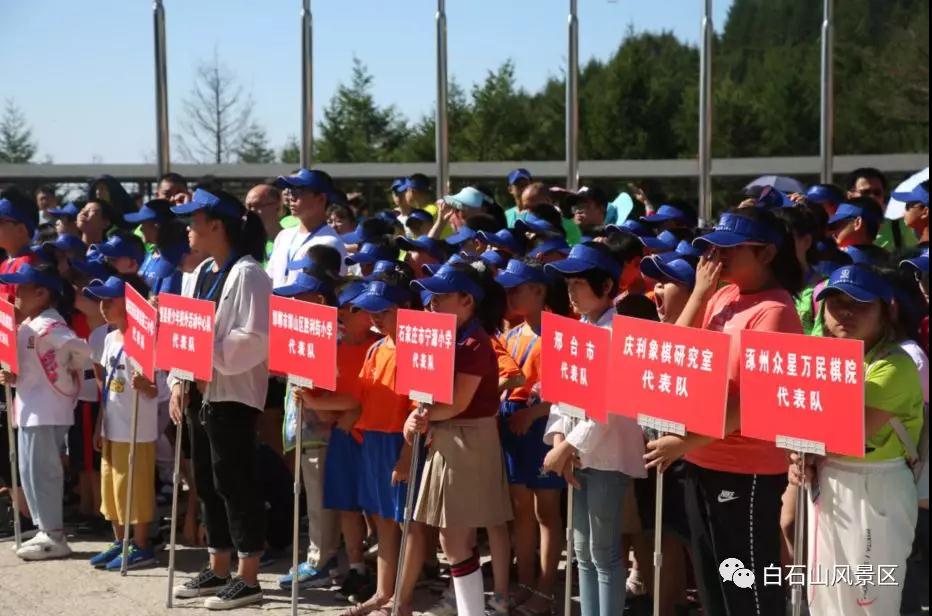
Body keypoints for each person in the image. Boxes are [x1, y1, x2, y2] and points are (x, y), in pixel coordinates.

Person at [644, 206, 804, 616]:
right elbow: (674, 355)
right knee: (713, 584)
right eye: (714, 247)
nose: (718, 255)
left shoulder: (775, 311)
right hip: (702, 459)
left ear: (766, 253)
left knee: (746, 588)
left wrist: (684, 442)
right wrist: (699, 294)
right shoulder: (722, 295)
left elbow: (753, 401)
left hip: (745, 470)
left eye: (731, 248)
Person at [789, 264, 923, 615]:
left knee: (870, 600)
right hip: (829, 480)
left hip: (877, 488)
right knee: (826, 596)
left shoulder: (895, 365)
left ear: (886, 310)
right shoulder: (824, 361)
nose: (845, 312)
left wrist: (806, 450)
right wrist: (800, 457)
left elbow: (848, 430)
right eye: (836, 303)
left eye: (860, 303)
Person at [168, 189, 271, 610]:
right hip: (199, 393)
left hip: (231, 394)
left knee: (236, 482)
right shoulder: (199, 272)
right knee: (208, 483)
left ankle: (249, 577)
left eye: (194, 220)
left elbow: (255, 339)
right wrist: (179, 378)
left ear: (216, 225)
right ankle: (219, 566)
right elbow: (184, 330)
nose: (188, 228)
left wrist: (205, 355)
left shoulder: (249, 274)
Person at [391, 265, 512, 616]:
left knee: (455, 539)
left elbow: (458, 402)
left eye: (442, 295)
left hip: (468, 440)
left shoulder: (474, 342)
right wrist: (420, 415)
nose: (432, 300)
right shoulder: (450, 338)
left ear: (467, 300)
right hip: (450, 436)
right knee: (454, 539)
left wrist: (422, 416)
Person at [540, 242, 647, 616]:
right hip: (576, 453)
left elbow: (610, 406)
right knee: (582, 551)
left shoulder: (618, 332)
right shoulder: (578, 329)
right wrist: (559, 439)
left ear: (605, 286)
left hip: (606, 455)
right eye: (568, 284)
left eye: (579, 284)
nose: (571, 292)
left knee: (604, 551)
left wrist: (566, 447)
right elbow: (560, 393)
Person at [289, 278, 383, 602]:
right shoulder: (334, 349)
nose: (351, 312)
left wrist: (345, 408)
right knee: (346, 506)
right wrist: (318, 402)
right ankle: (356, 568)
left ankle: (384, 572)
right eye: (351, 307)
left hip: (373, 437)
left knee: (376, 509)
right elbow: (320, 398)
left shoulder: (380, 347)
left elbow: (363, 399)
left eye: (359, 307)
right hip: (342, 437)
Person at [331, 273, 415, 616]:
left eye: (384, 311)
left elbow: (419, 409)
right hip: (374, 440)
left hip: (400, 440)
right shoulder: (377, 348)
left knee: (407, 521)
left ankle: (401, 599)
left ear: (404, 307)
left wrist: (407, 454)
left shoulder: (416, 349)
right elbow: (362, 398)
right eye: (372, 311)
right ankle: (383, 593)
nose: (376, 318)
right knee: (382, 519)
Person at [0, 262, 92, 560]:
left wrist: (67, 371)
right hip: (29, 407)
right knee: (28, 471)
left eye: (21, 288)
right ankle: (44, 529)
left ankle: (54, 534)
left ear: (41, 293)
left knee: (44, 472)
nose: (15, 294)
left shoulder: (52, 325)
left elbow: (81, 351)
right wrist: (13, 376)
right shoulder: (30, 324)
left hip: (47, 409)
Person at [494, 258, 570, 616]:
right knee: (520, 508)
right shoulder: (509, 335)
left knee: (546, 511)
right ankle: (524, 584)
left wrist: (534, 414)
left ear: (539, 290)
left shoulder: (562, 333)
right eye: (507, 289)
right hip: (512, 426)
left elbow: (569, 388)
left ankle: (545, 588)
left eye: (517, 288)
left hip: (544, 426)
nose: (510, 295)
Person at [82, 275, 165, 571]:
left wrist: (147, 386)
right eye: (101, 300)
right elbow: (106, 386)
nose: (103, 306)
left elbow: (159, 390)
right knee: (112, 486)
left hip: (137, 429)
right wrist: (99, 425)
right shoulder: (108, 338)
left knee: (135, 488)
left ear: (131, 304)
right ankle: (121, 540)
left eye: (110, 300)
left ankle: (141, 544)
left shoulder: (145, 339)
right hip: (112, 426)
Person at [268, 169, 347, 287]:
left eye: (298, 191)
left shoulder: (331, 243)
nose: (291, 197)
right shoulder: (283, 235)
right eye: (290, 191)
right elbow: (269, 278)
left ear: (321, 198)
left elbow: (333, 291)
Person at [244, 183, 284, 263]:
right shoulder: (242, 245)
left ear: (277, 205)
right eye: (249, 206)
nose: (251, 211)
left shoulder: (291, 241)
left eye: (257, 205)